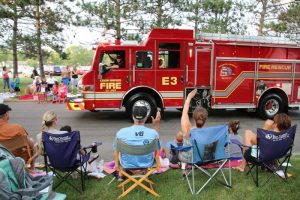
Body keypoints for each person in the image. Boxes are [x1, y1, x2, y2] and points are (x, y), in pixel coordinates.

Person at [115, 104, 160, 178]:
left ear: (133, 117)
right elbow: (157, 149)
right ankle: (145, 172)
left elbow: (116, 151)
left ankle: (122, 174)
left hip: (126, 164)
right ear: (146, 118)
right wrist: (156, 126)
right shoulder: (153, 133)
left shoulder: (121, 132)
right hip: (147, 163)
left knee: (121, 151)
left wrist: (117, 165)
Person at [179, 89, 208, 173]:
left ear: (193, 118)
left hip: (188, 157)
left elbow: (184, 113)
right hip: (203, 157)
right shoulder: (208, 132)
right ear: (205, 119)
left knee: (183, 150)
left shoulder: (188, 130)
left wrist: (189, 98)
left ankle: (184, 170)